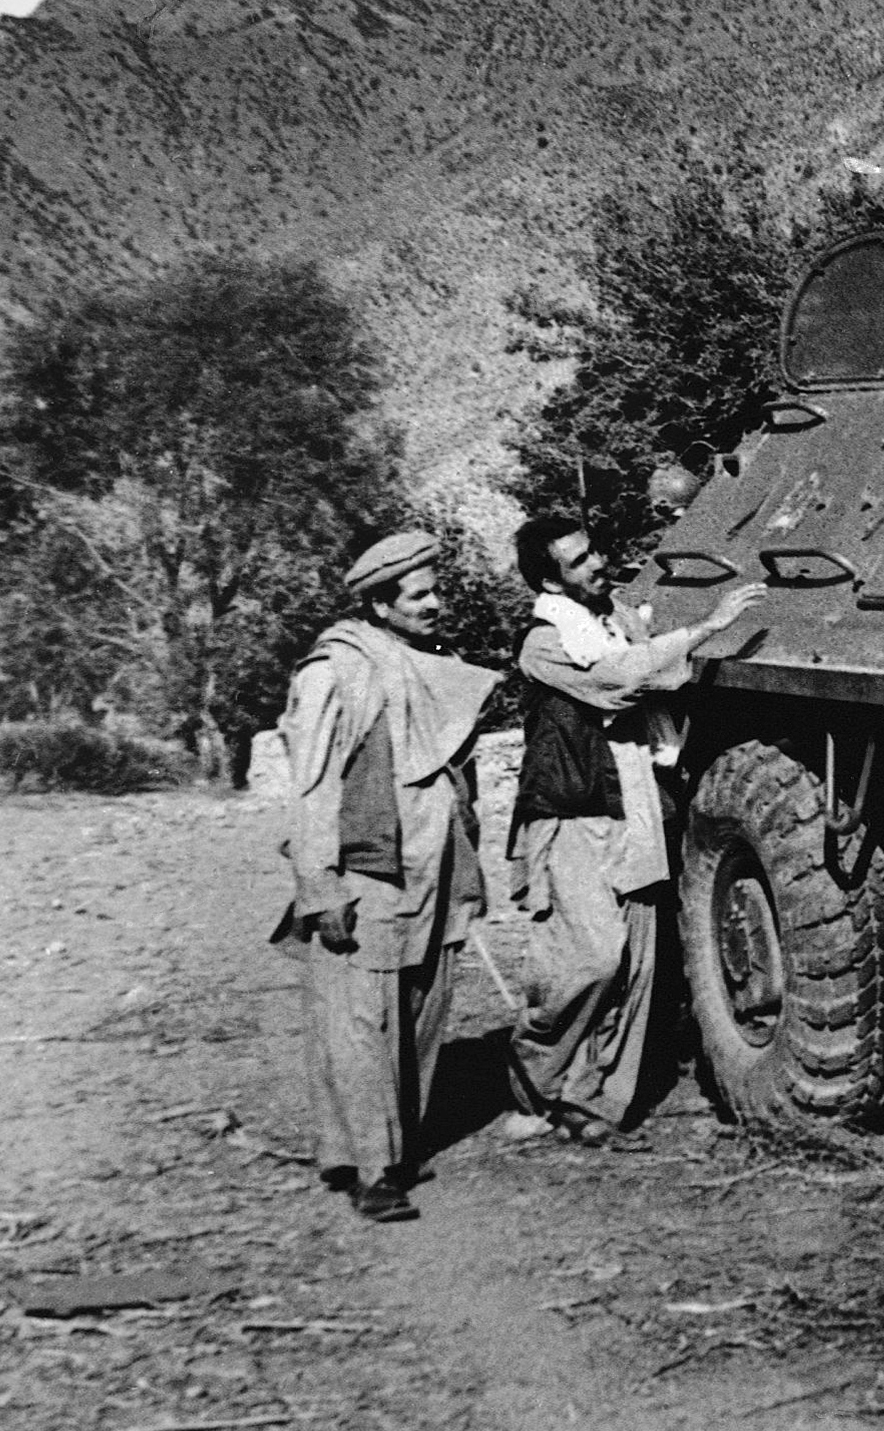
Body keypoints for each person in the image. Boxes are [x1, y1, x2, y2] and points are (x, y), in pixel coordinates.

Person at [505, 514, 765, 1144]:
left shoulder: (618, 619)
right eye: (578, 561)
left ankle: (593, 1101)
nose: (598, 563)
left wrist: (669, 649)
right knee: (590, 959)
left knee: (639, 966)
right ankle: (536, 1080)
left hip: (637, 805)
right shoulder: (544, 642)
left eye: (594, 550)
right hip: (575, 814)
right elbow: (619, 679)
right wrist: (705, 628)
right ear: (551, 582)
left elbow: (663, 672)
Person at [273, 530, 500, 1222]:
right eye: (418, 596)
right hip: (367, 870)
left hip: (434, 865)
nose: (434, 605)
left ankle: (394, 1145)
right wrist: (320, 886)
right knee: (362, 1017)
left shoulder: (429, 662)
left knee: (422, 1007)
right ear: (379, 605)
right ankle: (372, 1171)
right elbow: (312, 788)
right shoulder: (334, 672)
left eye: (436, 592)